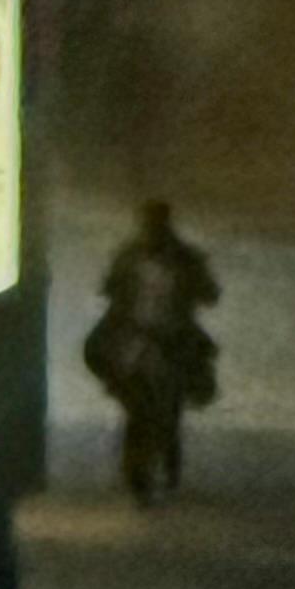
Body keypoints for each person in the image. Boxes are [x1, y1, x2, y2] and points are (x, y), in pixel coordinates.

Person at [83, 201, 220, 503]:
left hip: (170, 343)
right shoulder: (135, 257)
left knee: (165, 410)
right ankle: (141, 477)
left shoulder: (177, 258)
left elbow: (209, 294)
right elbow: (111, 293)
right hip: (136, 345)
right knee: (142, 410)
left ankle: (160, 470)